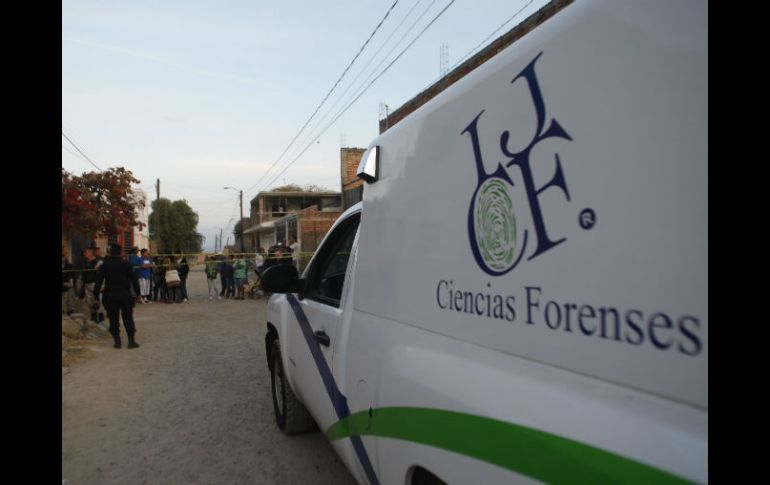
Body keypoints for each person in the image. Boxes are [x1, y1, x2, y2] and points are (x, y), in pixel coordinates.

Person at [94, 244, 141, 349]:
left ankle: (117, 342)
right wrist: (138, 294)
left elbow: (98, 282)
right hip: (125, 295)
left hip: (110, 296)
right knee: (128, 318)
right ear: (121, 252)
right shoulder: (126, 264)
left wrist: (96, 297)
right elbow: (134, 280)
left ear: (110, 253)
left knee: (113, 319)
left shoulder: (104, 265)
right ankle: (131, 341)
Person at [77, 245, 105, 323]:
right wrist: (80, 286)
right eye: (84, 253)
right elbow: (82, 275)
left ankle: (100, 316)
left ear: (90, 252)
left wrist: (102, 285)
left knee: (98, 300)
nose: (84, 254)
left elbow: (102, 276)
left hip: (96, 284)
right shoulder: (84, 263)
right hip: (87, 285)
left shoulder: (99, 262)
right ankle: (93, 316)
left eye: (86, 252)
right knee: (89, 302)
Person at [62, 245, 76, 315]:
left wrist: (70, 281)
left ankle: (70, 310)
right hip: (63, 284)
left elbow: (72, 273)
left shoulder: (68, 263)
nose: (66, 252)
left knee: (70, 300)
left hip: (68, 284)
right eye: (64, 250)